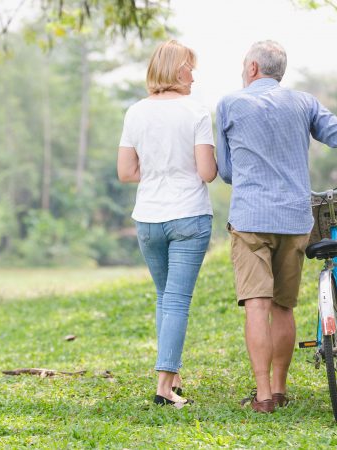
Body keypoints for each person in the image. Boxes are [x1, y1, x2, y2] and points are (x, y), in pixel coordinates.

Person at [216, 40, 337, 413]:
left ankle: (263, 396)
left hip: (250, 219)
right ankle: (281, 389)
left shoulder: (229, 104)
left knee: (256, 306)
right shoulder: (304, 103)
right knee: (283, 307)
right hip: (294, 218)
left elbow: (228, 172)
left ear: (251, 69)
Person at [117, 40, 217, 407]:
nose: (194, 75)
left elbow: (126, 172)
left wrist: (157, 169)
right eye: (191, 67)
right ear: (178, 71)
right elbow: (206, 173)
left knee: (164, 298)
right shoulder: (196, 112)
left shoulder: (135, 113)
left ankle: (172, 375)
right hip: (188, 214)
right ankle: (164, 387)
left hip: (148, 219)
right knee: (176, 300)